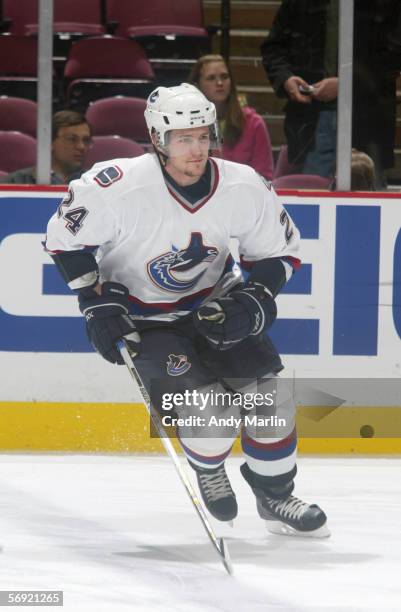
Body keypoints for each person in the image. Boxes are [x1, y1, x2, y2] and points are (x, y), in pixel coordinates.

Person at [45, 83, 329, 537]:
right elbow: (65, 242)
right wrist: (93, 303)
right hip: (147, 322)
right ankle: (209, 465)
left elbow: (280, 254)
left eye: (202, 136)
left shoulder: (243, 185)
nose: (196, 149)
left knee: (272, 403)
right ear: (158, 139)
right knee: (211, 416)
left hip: (214, 307)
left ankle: (275, 495)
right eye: (183, 138)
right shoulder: (114, 185)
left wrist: (256, 297)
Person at [261, 0, 401, 187]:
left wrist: (347, 84)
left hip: (367, 120)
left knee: (368, 200)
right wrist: (286, 78)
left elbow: (393, 56)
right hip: (313, 119)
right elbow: (274, 48)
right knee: (315, 200)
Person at [188, 54, 274, 180]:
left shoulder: (254, 123)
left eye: (224, 77)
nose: (219, 83)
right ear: (197, 85)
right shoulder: (184, 125)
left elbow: (264, 176)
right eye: (211, 78)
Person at [0, 110, 92, 185]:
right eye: (72, 139)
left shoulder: (95, 183)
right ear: (49, 143)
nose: (81, 146)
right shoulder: (13, 183)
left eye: (86, 140)